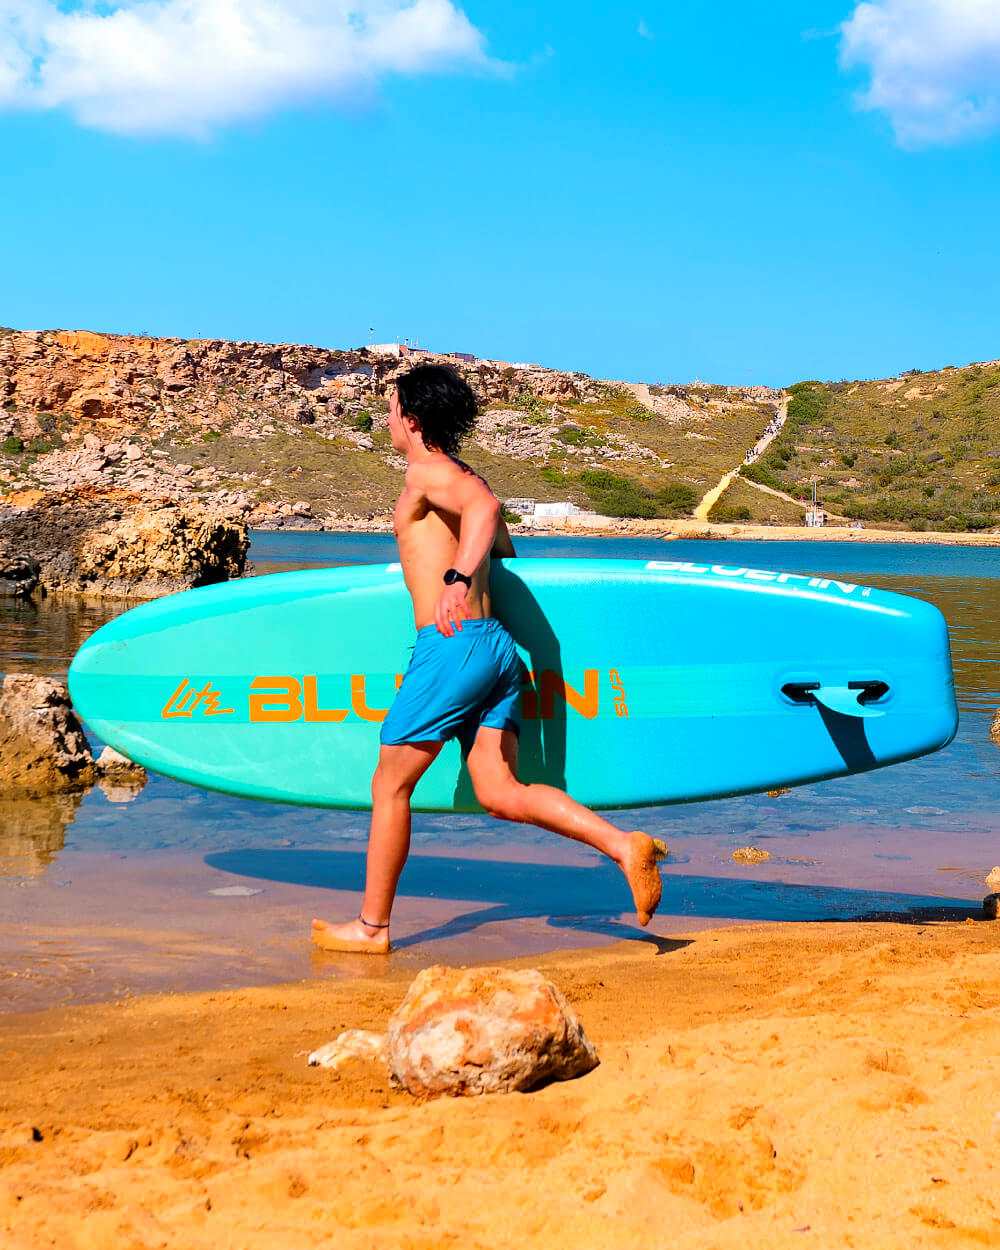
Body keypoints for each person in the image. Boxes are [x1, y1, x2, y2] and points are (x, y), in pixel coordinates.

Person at [311, 364, 663, 953]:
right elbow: (502, 543)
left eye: (392, 409)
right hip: (497, 650)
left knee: (389, 786)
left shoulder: (429, 474)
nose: (387, 419)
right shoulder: (458, 474)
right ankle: (625, 846)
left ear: (413, 419)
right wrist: (468, 567)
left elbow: (487, 512)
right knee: (500, 791)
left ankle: (371, 929)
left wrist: (454, 577)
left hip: (452, 645)